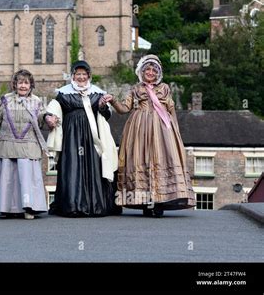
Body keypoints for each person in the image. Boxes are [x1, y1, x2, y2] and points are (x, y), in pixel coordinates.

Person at [103, 54, 196, 217]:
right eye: (148, 69)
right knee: (141, 159)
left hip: (162, 129)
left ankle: (159, 202)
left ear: (158, 73)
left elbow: (170, 110)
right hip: (139, 130)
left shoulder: (164, 88)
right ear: (142, 71)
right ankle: (146, 201)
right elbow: (124, 108)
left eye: (154, 70)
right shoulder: (136, 89)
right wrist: (112, 101)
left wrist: (175, 133)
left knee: (160, 159)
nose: (151, 72)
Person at [0, 70, 49, 219]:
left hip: (28, 145)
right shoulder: (5, 100)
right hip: (6, 144)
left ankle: (29, 208)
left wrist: (49, 118)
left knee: (26, 177)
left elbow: (42, 118)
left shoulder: (37, 102)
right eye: (20, 82)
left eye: (26, 83)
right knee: (7, 177)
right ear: (15, 84)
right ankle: (5, 208)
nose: (23, 86)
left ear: (31, 85)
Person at [46, 60, 120, 217]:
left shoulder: (97, 93)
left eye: (84, 74)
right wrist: (49, 117)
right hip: (71, 137)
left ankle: (96, 206)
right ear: (73, 76)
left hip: (92, 138)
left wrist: (101, 106)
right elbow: (52, 110)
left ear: (89, 76)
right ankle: (73, 205)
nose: (81, 77)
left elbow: (106, 115)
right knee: (72, 167)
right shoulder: (63, 93)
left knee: (95, 166)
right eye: (77, 74)